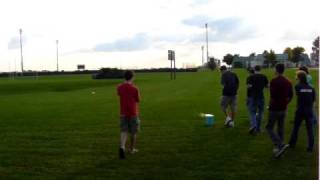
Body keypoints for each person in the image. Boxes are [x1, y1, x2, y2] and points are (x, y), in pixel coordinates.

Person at [265, 64, 293, 158]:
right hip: (283, 108)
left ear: (276, 70)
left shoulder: (274, 81)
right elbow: (291, 95)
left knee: (269, 128)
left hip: (274, 108)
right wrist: (285, 103)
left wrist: (270, 106)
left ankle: (280, 144)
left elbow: (272, 96)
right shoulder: (288, 81)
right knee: (280, 128)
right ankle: (280, 147)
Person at [288, 71, 315, 152]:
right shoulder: (311, 88)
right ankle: (310, 147)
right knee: (310, 129)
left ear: (299, 78)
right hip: (309, 110)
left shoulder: (297, 86)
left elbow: (297, 94)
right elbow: (313, 99)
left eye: (296, 76)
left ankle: (292, 144)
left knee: (296, 128)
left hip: (300, 110)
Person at [117, 70, 141, 159]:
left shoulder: (119, 87)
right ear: (132, 77)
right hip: (133, 112)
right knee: (133, 132)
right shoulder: (135, 88)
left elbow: (119, 94)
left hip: (123, 112)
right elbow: (138, 100)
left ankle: (122, 147)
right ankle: (132, 149)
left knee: (124, 131)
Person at [246, 65, 268, 134]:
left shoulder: (251, 77)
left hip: (253, 97)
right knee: (260, 112)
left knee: (252, 112)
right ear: (260, 69)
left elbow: (249, 86)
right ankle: (258, 128)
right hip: (261, 96)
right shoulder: (264, 76)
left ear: (254, 69)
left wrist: (253, 87)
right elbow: (267, 86)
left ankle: (254, 125)